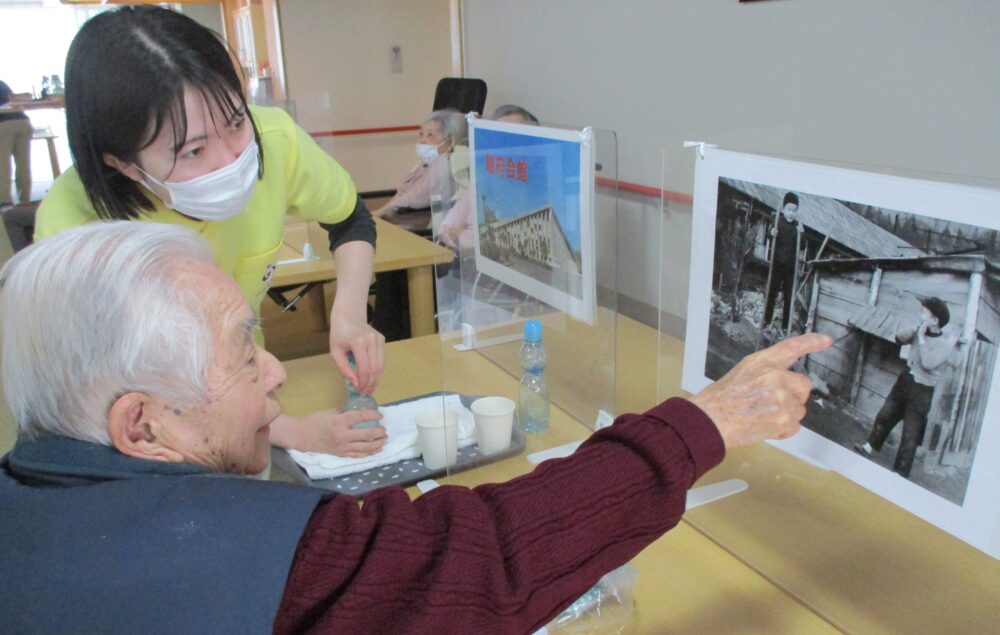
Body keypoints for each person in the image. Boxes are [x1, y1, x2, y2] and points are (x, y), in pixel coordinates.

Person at [0, 221, 830, 633]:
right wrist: (707, 420)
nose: (278, 370)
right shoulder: (208, 557)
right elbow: (485, 556)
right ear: (143, 426)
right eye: (245, 350)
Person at [33, 6, 385, 457]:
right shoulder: (75, 226)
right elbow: (105, 402)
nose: (231, 160)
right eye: (194, 150)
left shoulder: (273, 141)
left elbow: (349, 217)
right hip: (155, 446)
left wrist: (349, 315)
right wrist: (290, 432)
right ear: (121, 162)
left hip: (248, 399)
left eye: (237, 122)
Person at [854, 296, 960, 478]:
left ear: (935, 321)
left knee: (910, 434)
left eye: (924, 313)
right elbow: (898, 339)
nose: (920, 315)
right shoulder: (919, 332)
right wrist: (914, 331)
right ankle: (868, 447)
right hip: (905, 381)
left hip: (922, 391)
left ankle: (899, 475)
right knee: (885, 416)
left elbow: (928, 363)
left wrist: (921, 338)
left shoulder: (945, 345)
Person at [439, 104, 539, 252]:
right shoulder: (484, 177)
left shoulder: (537, 185)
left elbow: (508, 245)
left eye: (514, 136)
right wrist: (461, 236)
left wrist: (462, 235)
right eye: (500, 136)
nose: (506, 143)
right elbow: (447, 226)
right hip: (465, 262)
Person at [371, 109, 468, 226]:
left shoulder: (446, 166)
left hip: (424, 226)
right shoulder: (427, 164)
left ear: (449, 142)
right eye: (421, 134)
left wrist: (382, 211)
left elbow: (415, 198)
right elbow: (403, 194)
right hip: (408, 219)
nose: (422, 140)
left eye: (430, 135)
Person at [762, 191, 803, 334]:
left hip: (790, 268)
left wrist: (802, 234)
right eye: (789, 210)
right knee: (772, 292)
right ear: (784, 209)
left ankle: (785, 326)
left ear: (797, 212)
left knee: (788, 296)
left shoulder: (797, 227)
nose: (791, 213)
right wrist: (771, 232)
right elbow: (768, 234)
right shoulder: (778, 221)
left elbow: (802, 246)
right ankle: (766, 321)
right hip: (777, 264)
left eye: (794, 211)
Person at [0, 80, 32, 207]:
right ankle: (25, 200)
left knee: (3, 165)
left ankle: (5, 202)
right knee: (23, 164)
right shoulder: (2, 84)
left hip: (3, 124)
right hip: (23, 122)